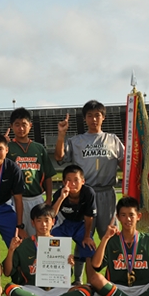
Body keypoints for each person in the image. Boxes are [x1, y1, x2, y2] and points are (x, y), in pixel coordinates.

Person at [3, 203, 92, 296]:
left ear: (53, 222)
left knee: (87, 289)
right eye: (39, 220)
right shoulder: (23, 245)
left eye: (47, 220)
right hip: (32, 289)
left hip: (56, 290)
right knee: (10, 288)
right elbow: (7, 272)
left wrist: (70, 263)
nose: (43, 224)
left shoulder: (61, 244)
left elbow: (67, 276)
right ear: (33, 223)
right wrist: (11, 250)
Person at [54, 100, 124, 238]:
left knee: (111, 235)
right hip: (84, 194)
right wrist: (61, 135)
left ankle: (112, 260)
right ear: (85, 118)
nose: (94, 119)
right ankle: (81, 260)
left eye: (97, 115)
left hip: (107, 193)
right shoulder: (76, 141)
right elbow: (59, 157)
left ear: (103, 117)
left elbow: (126, 166)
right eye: (90, 116)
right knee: (84, 236)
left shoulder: (113, 140)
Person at [6, 107, 56, 237]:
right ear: (11, 127)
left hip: (37, 198)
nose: (21, 128)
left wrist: (49, 199)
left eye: (24, 124)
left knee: (40, 235)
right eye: (17, 125)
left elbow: (48, 175)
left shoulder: (39, 148)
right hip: (16, 199)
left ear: (30, 126)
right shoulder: (7, 148)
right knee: (18, 237)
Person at [50, 165, 97, 285]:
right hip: (63, 223)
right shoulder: (59, 193)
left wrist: (87, 236)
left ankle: (90, 282)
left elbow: (89, 217)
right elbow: (52, 215)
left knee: (89, 248)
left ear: (83, 181)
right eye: (69, 180)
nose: (73, 184)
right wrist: (62, 197)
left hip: (81, 224)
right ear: (64, 182)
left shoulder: (88, 192)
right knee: (52, 246)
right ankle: (58, 281)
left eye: (76, 180)